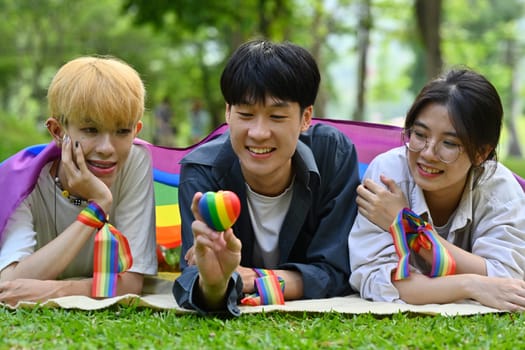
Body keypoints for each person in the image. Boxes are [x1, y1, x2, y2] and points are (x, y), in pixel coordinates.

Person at [173, 39, 360, 316]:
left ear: (306, 117)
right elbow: (199, 277)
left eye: (276, 116)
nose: (259, 132)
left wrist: (258, 280)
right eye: (246, 114)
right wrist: (215, 285)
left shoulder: (334, 155)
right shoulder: (202, 171)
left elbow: (337, 270)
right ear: (228, 112)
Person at [348, 69, 525, 311]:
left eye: (449, 143)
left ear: (481, 153)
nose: (428, 154)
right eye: (420, 135)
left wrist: (407, 226)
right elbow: (376, 279)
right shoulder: (387, 175)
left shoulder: (499, 188)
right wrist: (470, 284)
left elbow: (508, 281)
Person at [0, 56, 157, 305]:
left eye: (122, 131)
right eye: (91, 130)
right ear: (58, 131)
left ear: (136, 131)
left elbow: (132, 281)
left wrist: (56, 291)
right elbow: (8, 285)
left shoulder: (135, 161)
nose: (107, 148)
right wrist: (99, 206)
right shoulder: (23, 179)